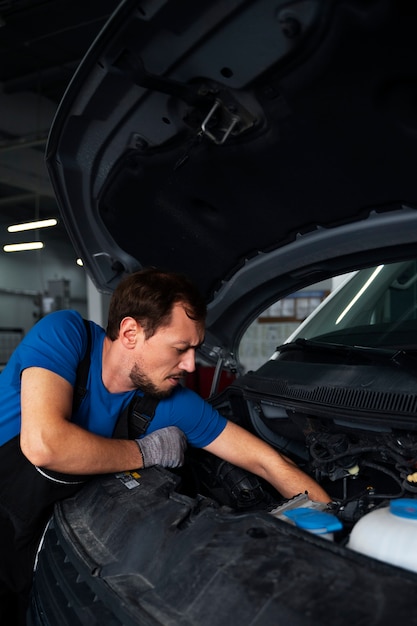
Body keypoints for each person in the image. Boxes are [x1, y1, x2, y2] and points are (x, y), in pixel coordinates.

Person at [0, 267, 330, 624]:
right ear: (130, 333)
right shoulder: (66, 335)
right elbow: (45, 445)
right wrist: (146, 452)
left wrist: (330, 527)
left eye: (195, 350)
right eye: (180, 348)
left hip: (38, 543)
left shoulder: (168, 401)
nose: (190, 364)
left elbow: (269, 463)